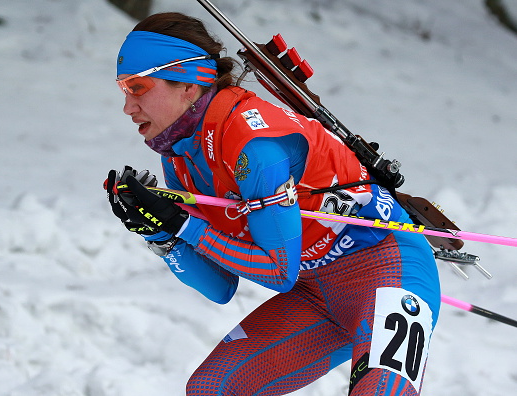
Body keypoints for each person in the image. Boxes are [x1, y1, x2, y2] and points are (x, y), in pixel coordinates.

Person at [106, 11, 441, 396]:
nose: (128, 107)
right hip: (315, 297)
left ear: (189, 84)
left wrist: (185, 225)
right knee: (211, 389)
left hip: (387, 269)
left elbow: (279, 272)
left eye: (138, 87)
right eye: (123, 89)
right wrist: (163, 235)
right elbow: (221, 288)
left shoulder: (253, 144)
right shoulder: (180, 160)